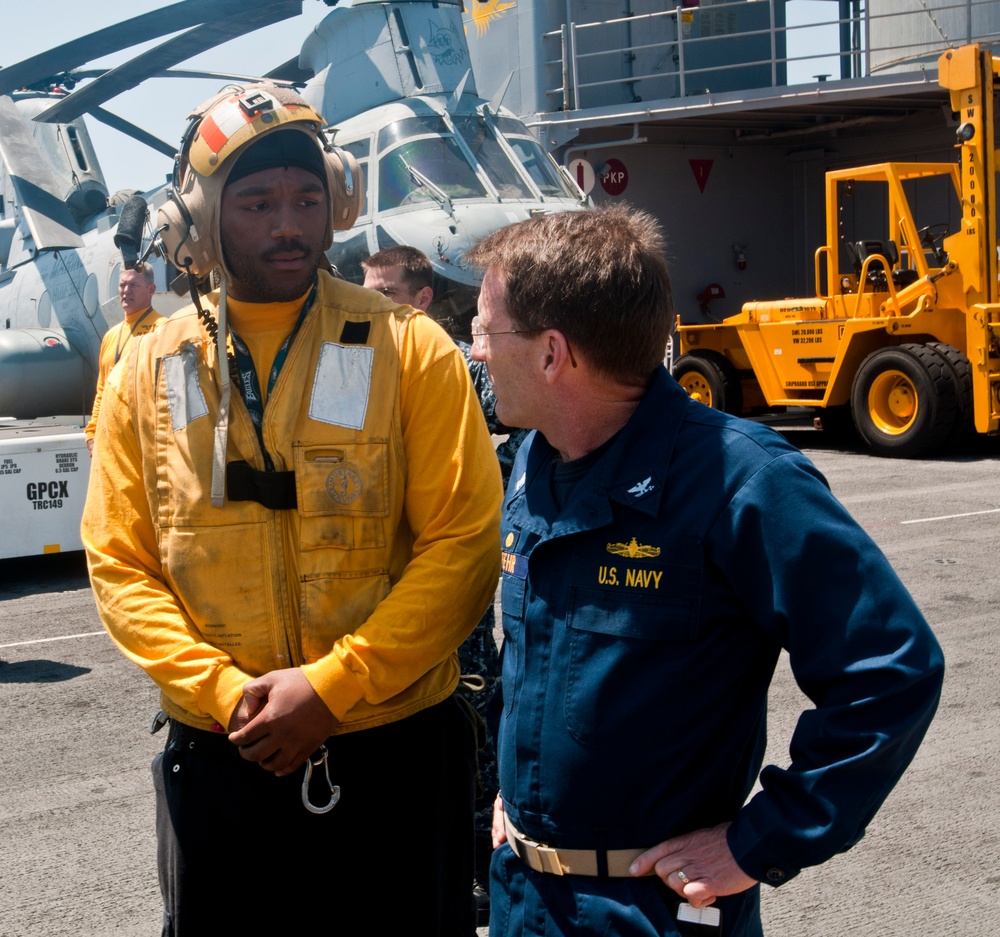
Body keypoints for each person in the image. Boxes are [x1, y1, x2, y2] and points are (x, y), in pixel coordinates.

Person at [81, 83, 501, 936]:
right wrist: (227, 692)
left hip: (396, 755)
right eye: (258, 201)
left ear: (337, 201)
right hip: (222, 757)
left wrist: (334, 688)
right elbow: (119, 562)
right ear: (197, 221)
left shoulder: (408, 349)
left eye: (309, 199)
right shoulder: (144, 372)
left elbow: (462, 544)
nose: (288, 224)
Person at [465, 204, 945, 937]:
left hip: (652, 912)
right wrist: (512, 790)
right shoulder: (535, 462)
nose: (475, 352)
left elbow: (890, 670)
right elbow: (529, 650)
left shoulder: (741, 480)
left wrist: (760, 840)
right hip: (525, 899)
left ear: (551, 353)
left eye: (483, 330)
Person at [362, 245, 527, 923]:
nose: (370, 302)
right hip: (378, 589)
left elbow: (525, 424)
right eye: (364, 289)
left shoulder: (455, 361)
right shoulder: (357, 364)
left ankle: (481, 866)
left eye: (384, 292)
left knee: (473, 724)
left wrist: (498, 495)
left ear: (422, 299)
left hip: (448, 592)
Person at [84, 263, 163, 456]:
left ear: (151, 289)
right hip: (112, 438)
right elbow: (102, 389)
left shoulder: (162, 328)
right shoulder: (111, 336)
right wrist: (92, 432)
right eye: (122, 285)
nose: (126, 291)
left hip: (147, 439)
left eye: (133, 285)